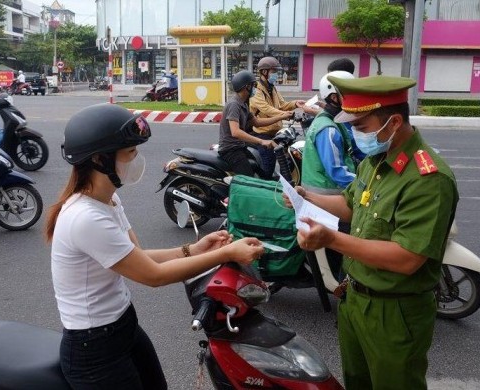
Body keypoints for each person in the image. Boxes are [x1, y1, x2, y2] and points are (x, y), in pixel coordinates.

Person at [46, 103, 265, 389]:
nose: (137, 160)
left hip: (123, 325)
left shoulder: (109, 200)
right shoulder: (85, 217)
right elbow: (152, 276)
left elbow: (137, 257)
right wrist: (225, 253)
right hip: (94, 348)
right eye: (130, 153)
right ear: (100, 160)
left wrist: (196, 249)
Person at [293, 75, 459, 390]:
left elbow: (407, 259)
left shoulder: (428, 179)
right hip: (355, 300)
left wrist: (331, 239)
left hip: (395, 313)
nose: (355, 134)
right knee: (358, 382)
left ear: (394, 122)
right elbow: (350, 204)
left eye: (362, 127)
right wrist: (306, 197)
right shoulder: (376, 160)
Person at [219, 70, 292, 177]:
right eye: (253, 86)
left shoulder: (243, 103)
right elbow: (235, 132)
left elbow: (256, 122)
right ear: (246, 87)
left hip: (239, 146)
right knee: (249, 179)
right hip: (230, 150)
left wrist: (281, 116)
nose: (255, 89)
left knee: (259, 170)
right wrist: (261, 141)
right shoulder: (234, 104)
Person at [302, 70, 359, 194]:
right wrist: (365, 184)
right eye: (348, 95)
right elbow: (337, 172)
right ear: (334, 98)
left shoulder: (332, 119)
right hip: (328, 195)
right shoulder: (328, 129)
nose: (353, 99)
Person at [249, 56, 305, 176]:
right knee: (269, 164)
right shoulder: (256, 90)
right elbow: (266, 109)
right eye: (274, 72)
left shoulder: (272, 88)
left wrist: (295, 103)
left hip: (275, 132)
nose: (276, 75)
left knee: (286, 158)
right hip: (262, 133)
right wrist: (284, 115)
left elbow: (282, 105)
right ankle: (265, 186)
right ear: (264, 72)